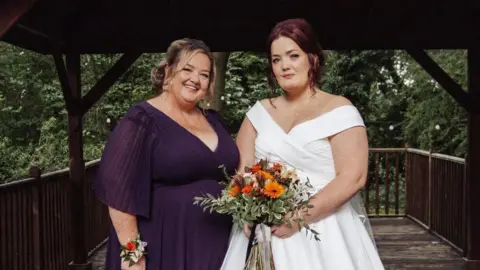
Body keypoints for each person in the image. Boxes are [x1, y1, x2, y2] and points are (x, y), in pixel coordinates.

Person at [221, 18, 385, 270]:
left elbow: (353, 176)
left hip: (325, 232)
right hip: (263, 233)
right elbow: (242, 173)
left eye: (293, 55)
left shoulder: (340, 110)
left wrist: (297, 219)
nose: (284, 66)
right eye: (276, 60)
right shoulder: (258, 114)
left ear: (313, 58)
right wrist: (246, 212)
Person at [93, 38, 240, 270]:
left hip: (219, 244)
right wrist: (133, 254)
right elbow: (118, 189)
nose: (195, 79)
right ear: (169, 71)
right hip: (164, 246)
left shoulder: (214, 120)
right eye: (188, 69)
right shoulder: (141, 120)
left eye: (204, 74)